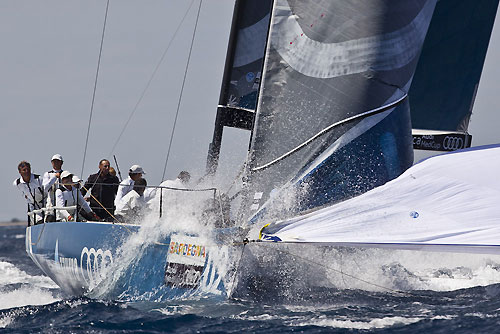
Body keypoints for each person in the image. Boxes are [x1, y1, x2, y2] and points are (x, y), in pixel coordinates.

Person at [13, 161, 49, 225]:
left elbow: (47, 191)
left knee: (49, 219)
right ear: (20, 172)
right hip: (33, 206)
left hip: (44, 203)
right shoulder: (17, 183)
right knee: (39, 222)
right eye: (24, 170)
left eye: (28, 169)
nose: (27, 171)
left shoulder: (39, 179)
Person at [42, 154, 64, 222]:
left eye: (57, 161)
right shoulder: (48, 174)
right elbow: (45, 188)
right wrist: (55, 177)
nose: (55, 163)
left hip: (62, 204)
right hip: (51, 204)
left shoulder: (65, 174)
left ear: (61, 163)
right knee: (49, 220)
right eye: (54, 161)